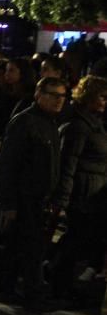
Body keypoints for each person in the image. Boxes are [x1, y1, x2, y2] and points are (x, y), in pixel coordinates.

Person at [0, 76, 68, 310]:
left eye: (63, 96)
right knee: (32, 247)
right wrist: (9, 202)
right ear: (39, 95)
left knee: (18, 245)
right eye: (54, 95)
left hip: (38, 197)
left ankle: (6, 288)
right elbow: (8, 164)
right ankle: (32, 295)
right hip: (25, 196)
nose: (59, 100)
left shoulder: (51, 124)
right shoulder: (25, 122)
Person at [49, 76, 107, 299]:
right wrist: (62, 197)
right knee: (75, 238)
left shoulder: (93, 123)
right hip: (82, 192)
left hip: (91, 191)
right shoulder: (80, 126)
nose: (104, 102)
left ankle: (56, 274)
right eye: (101, 97)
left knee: (77, 238)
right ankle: (58, 281)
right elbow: (68, 163)